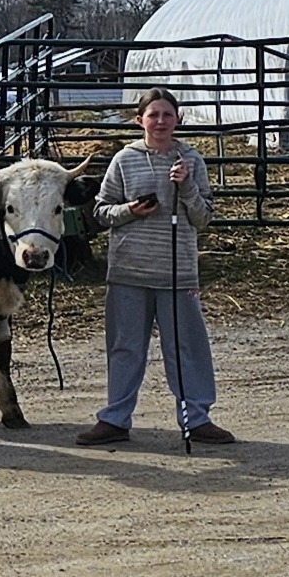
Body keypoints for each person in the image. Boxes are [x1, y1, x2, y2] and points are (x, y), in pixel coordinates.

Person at [77, 87, 234, 446]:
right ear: (140, 120)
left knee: (186, 346)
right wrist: (130, 210)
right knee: (125, 346)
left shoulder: (191, 160)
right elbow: (101, 213)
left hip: (177, 273)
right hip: (129, 271)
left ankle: (196, 418)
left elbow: (203, 218)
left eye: (167, 115)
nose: (160, 121)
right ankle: (115, 418)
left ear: (177, 119)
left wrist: (188, 186)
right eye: (153, 115)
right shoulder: (124, 159)